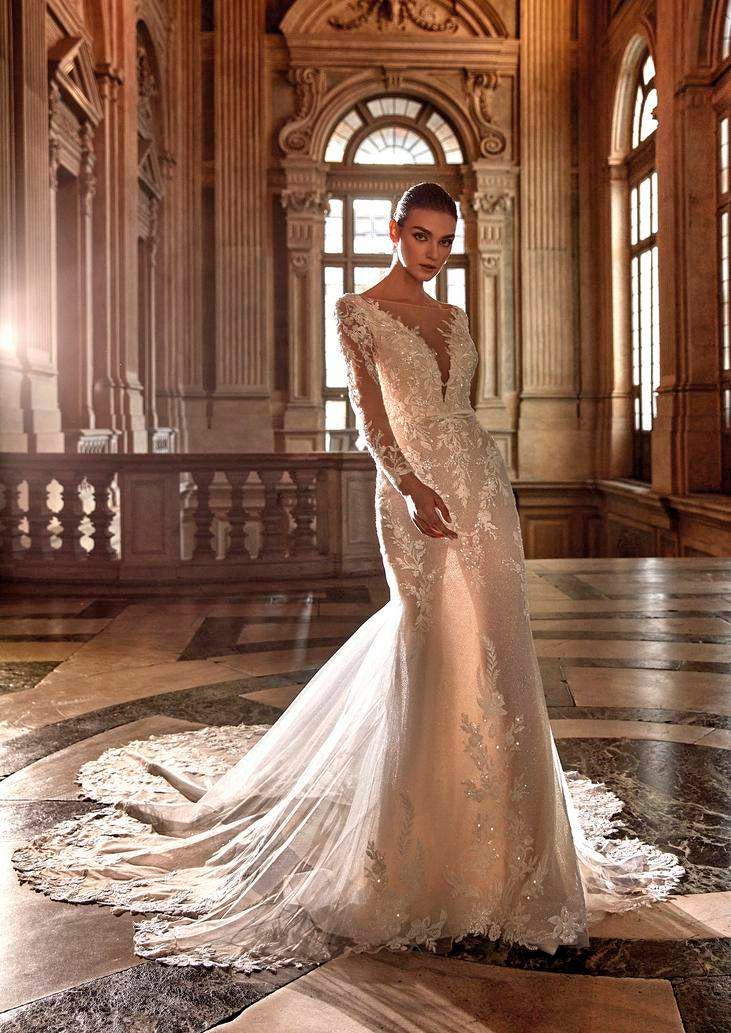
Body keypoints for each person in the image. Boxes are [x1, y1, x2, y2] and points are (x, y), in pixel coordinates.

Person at [12, 181, 683, 975]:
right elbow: (369, 417)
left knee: (498, 648)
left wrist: (462, 481)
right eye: (422, 237)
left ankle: (512, 844)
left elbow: (458, 410)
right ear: (394, 232)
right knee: (431, 643)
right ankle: (421, 844)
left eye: (445, 241)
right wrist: (409, 485)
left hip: (479, 483)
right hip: (410, 492)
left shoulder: (456, 317)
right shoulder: (356, 311)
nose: (434, 254)